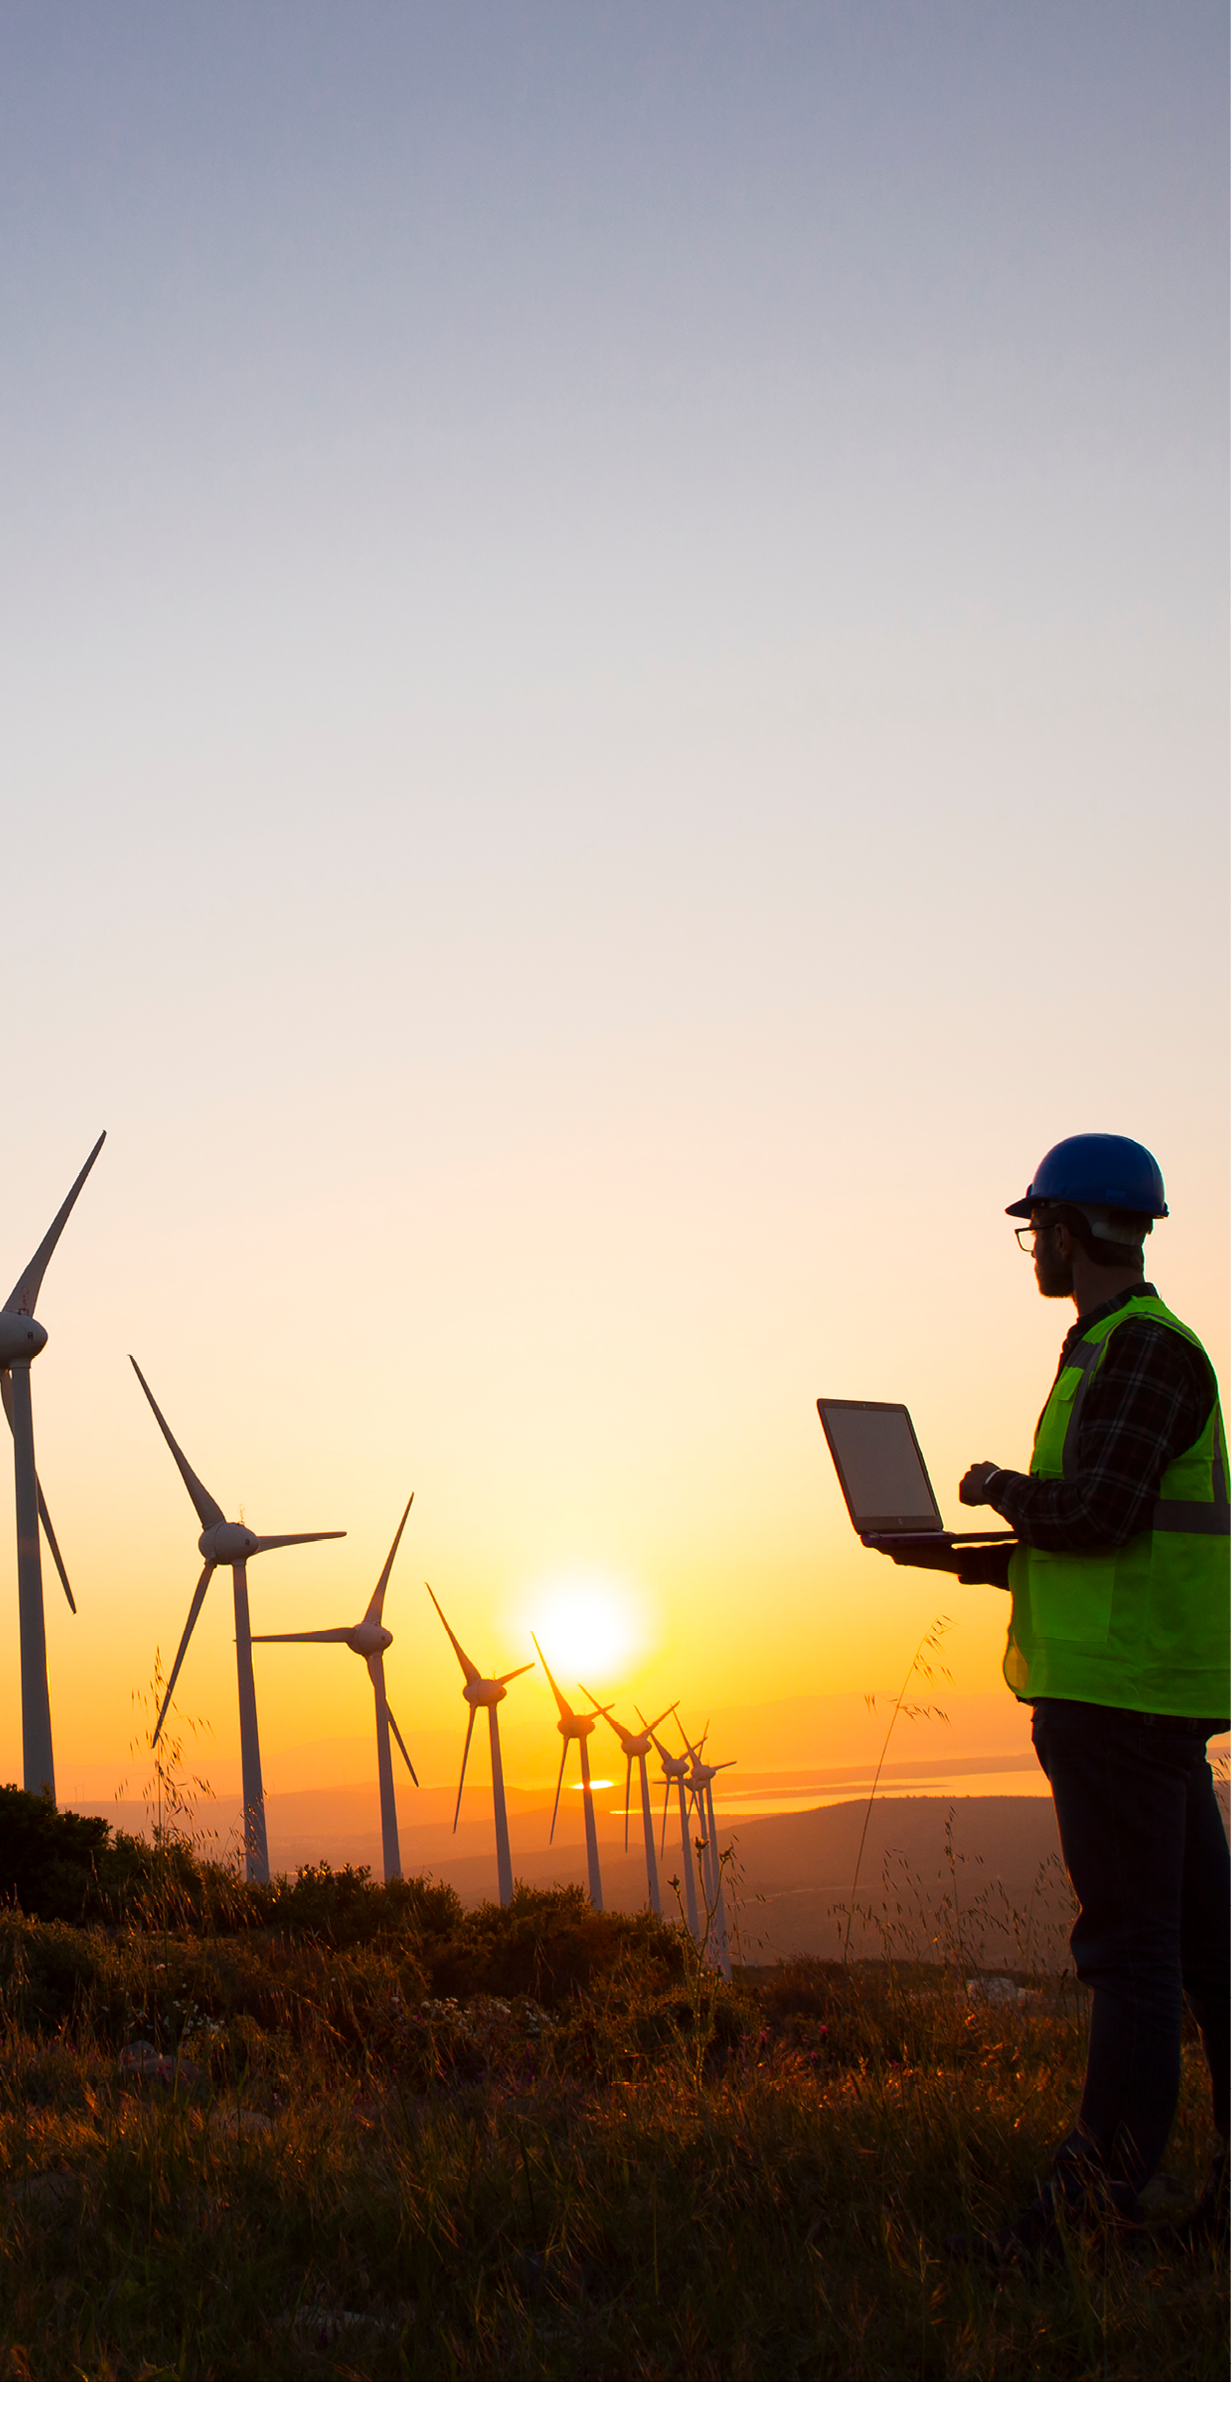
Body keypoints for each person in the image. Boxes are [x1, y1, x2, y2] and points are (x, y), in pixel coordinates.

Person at [874, 1132, 1231, 2262]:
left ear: (1073, 1232)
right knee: (1210, 1953)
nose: (1033, 1250)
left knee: (1130, 1957)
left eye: (1038, 1231)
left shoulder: (1137, 1353)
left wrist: (995, 1490)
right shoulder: (1116, 1350)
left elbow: (1096, 1514)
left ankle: (1087, 2209)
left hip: (1119, 1699)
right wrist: (967, 1555)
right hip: (1143, 1693)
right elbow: (1098, 1532)